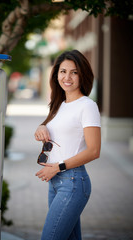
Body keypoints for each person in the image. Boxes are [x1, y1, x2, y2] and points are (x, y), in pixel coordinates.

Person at [34, 49, 101, 240]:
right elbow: (56, 129)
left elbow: (94, 150)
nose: (67, 77)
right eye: (63, 71)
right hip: (55, 183)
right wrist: (41, 126)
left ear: (82, 75)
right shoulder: (59, 104)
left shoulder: (87, 106)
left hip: (72, 182)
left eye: (74, 72)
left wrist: (58, 167)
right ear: (56, 74)